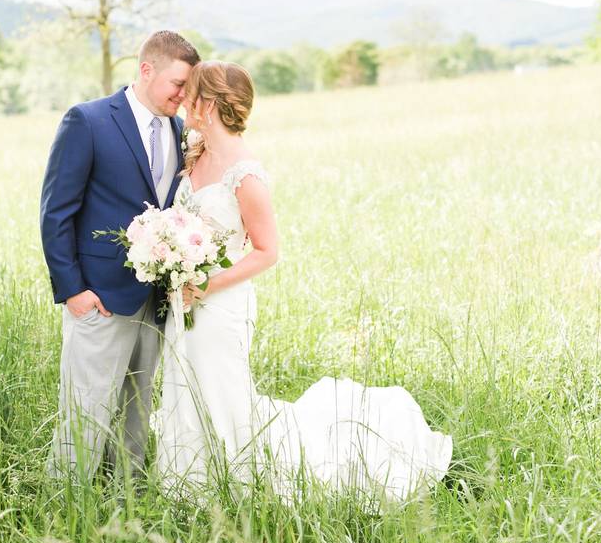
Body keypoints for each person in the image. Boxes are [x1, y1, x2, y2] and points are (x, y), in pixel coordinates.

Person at [153, 60, 452, 504]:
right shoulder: (194, 149)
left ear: (211, 103)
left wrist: (207, 285)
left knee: (223, 392)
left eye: (191, 92)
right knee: (184, 381)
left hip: (221, 303)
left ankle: (236, 483)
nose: (183, 100)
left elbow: (267, 251)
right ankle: (187, 480)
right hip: (186, 300)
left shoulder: (245, 173)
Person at [40, 30, 200, 480]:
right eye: (178, 84)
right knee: (86, 413)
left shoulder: (179, 129)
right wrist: (74, 292)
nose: (184, 96)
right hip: (99, 299)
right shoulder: (87, 121)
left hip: (153, 301)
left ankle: (124, 502)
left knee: (137, 412)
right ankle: (66, 504)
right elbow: (56, 212)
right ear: (147, 70)